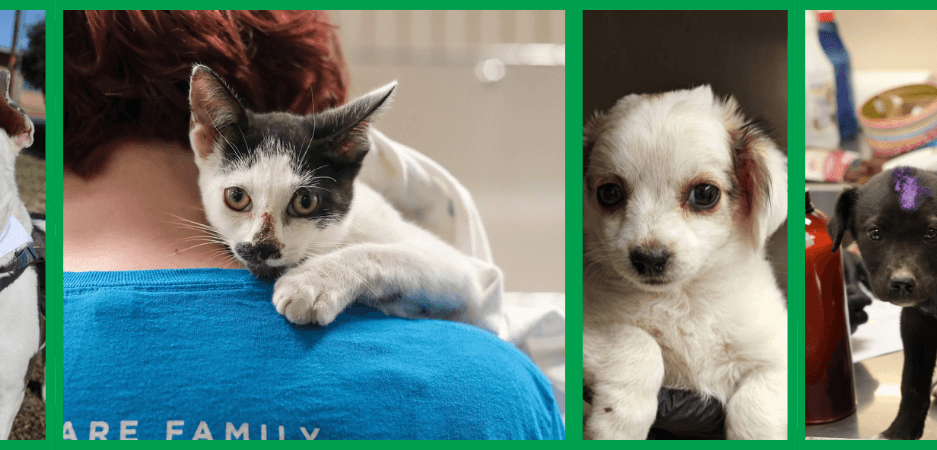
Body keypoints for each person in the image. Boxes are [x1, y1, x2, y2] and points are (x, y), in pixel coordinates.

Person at [63, 10, 563, 439]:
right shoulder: (498, 390)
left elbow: (460, 278)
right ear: (203, 140)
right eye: (238, 198)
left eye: (300, 205)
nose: (261, 240)